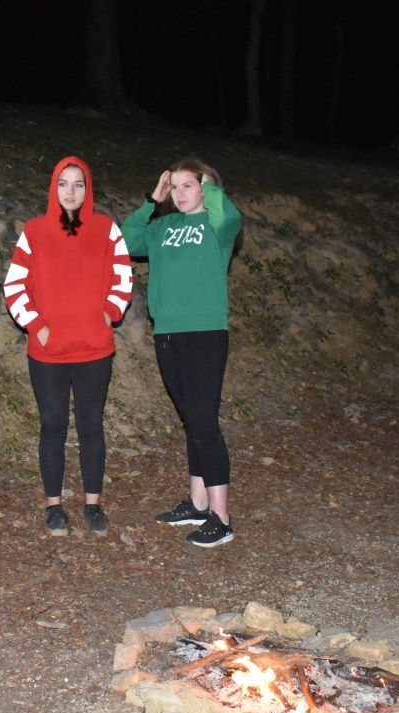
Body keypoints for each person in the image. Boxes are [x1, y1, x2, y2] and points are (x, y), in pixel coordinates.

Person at [3, 156, 133, 535]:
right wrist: (37, 326)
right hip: (48, 353)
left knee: (91, 426)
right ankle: (54, 506)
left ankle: (93, 505)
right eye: (63, 183)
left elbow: (123, 276)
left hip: (94, 350)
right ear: (53, 188)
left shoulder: (106, 229)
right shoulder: (35, 231)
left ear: (87, 188)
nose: (71, 191)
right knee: (53, 425)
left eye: (78, 183)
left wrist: (108, 314)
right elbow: (14, 286)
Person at [121, 158, 243, 548]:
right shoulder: (163, 227)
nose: (180, 193)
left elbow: (230, 214)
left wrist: (206, 183)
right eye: (174, 187)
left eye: (188, 185)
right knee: (191, 420)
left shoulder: (218, 225)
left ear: (206, 187)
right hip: (168, 333)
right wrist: (151, 201)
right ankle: (197, 503)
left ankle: (221, 518)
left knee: (204, 422)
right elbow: (125, 241)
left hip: (205, 332)